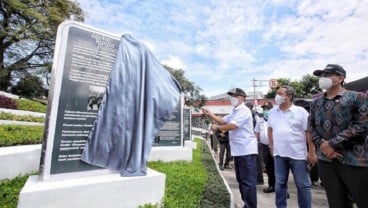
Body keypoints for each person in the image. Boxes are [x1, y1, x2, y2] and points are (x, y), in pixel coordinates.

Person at [309, 64, 368, 208]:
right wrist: (323, 146)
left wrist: (332, 144)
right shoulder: (316, 102)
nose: (323, 79)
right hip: (326, 160)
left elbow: (362, 125)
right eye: (322, 76)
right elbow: (311, 126)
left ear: (340, 78)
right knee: (336, 202)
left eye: (328, 75)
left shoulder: (357, 97)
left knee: (364, 199)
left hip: (354, 159)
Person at [202, 87, 258, 208]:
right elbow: (223, 120)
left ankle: (250, 206)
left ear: (242, 98)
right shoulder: (235, 111)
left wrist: (217, 128)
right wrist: (210, 114)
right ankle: (247, 204)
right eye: (231, 96)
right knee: (241, 180)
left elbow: (233, 126)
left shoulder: (244, 110)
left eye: (235, 95)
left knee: (247, 181)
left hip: (246, 150)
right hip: (239, 151)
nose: (232, 98)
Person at [267, 85, 317, 208]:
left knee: (303, 185)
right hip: (279, 154)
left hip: (298, 155)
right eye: (277, 93)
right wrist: (271, 146)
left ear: (289, 96)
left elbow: (308, 132)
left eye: (280, 93)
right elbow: (270, 129)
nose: (277, 96)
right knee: (280, 184)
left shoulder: (300, 112)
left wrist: (311, 152)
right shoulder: (273, 112)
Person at [254, 101, 275, 193]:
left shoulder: (276, 119)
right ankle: (271, 185)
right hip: (264, 146)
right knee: (269, 167)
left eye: (267, 109)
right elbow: (257, 133)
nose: (266, 110)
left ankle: (283, 189)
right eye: (264, 109)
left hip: (276, 146)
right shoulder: (260, 120)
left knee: (280, 167)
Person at [246, 101, 264, 185]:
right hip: (253, 139)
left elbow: (256, 128)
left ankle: (259, 179)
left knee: (257, 161)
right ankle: (255, 178)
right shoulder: (252, 114)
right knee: (254, 160)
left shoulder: (254, 115)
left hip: (256, 140)